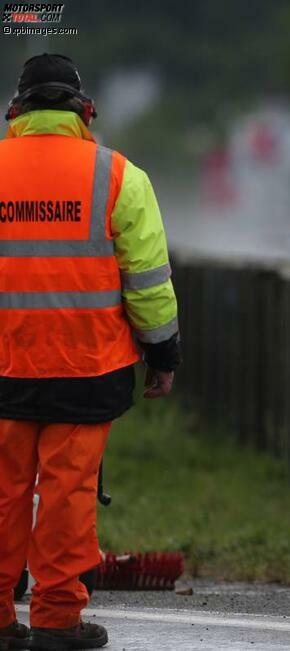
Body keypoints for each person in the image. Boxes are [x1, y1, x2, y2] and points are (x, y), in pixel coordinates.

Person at [0, 54, 180, 651]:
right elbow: (148, 282)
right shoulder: (120, 177)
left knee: (1, 494)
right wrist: (162, 357)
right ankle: (56, 619)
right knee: (66, 497)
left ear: (16, 111)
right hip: (86, 368)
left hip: (3, 368)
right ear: (84, 111)